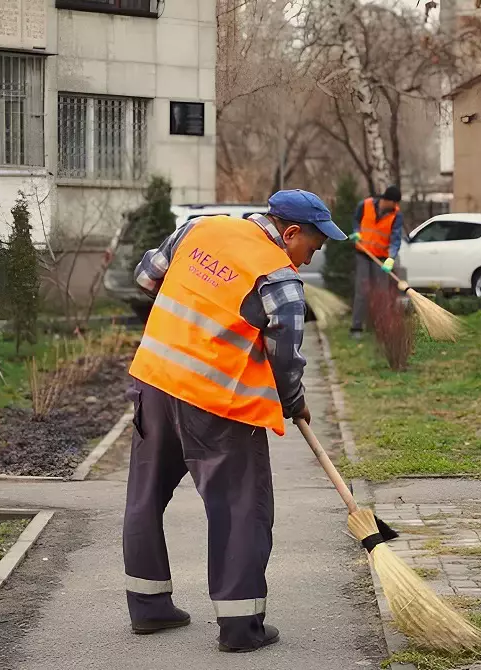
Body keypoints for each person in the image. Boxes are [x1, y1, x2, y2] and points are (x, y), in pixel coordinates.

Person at [122, 189, 345, 653]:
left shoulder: (201, 229)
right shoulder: (279, 278)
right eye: (313, 246)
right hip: (217, 405)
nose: (311, 257)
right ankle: (241, 628)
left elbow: (146, 278)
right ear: (290, 233)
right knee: (241, 509)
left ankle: (149, 608)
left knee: (145, 497)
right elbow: (286, 357)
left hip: (156, 382)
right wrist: (293, 400)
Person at [349, 185, 403, 337]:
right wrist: (356, 233)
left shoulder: (396, 215)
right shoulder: (365, 205)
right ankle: (356, 328)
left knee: (381, 293)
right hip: (363, 254)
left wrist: (391, 258)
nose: (396, 206)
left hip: (381, 257)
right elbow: (356, 221)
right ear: (388, 200)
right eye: (395, 203)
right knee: (362, 290)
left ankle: (380, 328)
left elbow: (395, 238)